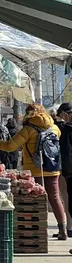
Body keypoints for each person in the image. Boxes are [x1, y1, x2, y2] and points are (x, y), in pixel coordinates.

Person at [0, 103, 66, 240]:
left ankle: (37, 230)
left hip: (35, 169)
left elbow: (10, 146)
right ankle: (62, 229)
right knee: (55, 197)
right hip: (53, 167)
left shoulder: (28, 129)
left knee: (36, 199)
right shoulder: (54, 127)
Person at [55, 103, 72, 242]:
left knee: (69, 200)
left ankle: (70, 228)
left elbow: (66, 152)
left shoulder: (66, 130)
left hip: (69, 171)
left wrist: (65, 171)